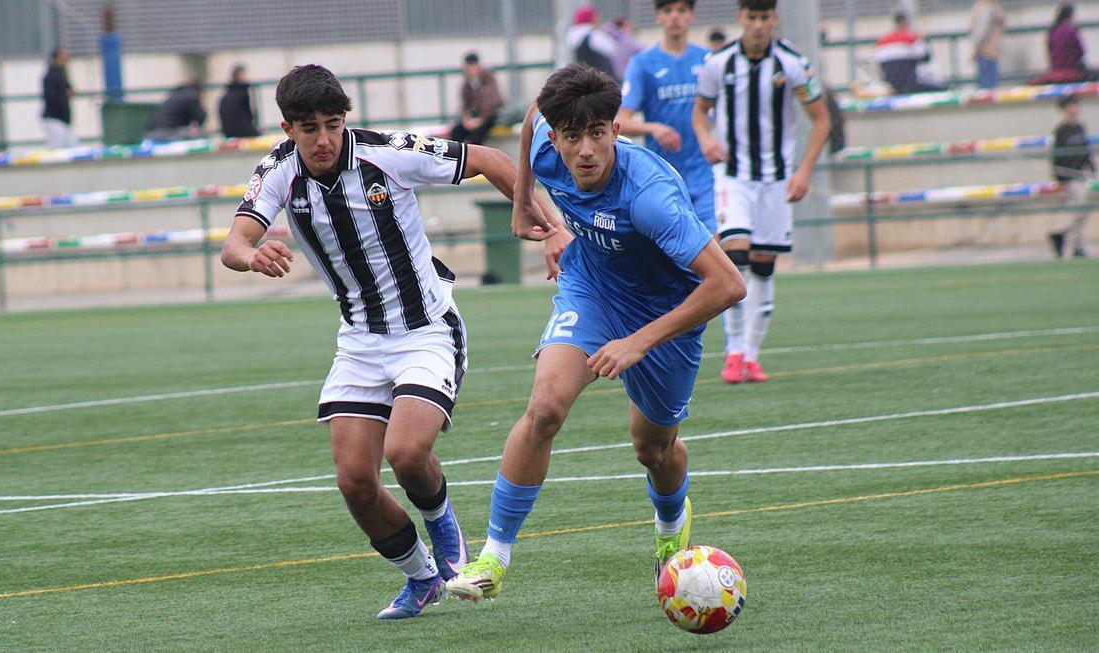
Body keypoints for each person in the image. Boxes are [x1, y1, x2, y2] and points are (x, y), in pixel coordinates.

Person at [222, 64, 554, 620]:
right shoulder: (277, 170)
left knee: (406, 451)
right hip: (358, 340)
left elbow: (492, 160)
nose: (324, 139)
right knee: (354, 481)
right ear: (288, 129)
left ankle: (447, 534)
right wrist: (251, 256)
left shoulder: (386, 152)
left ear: (346, 119)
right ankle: (421, 577)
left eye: (333, 124)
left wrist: (548, 224)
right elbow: (235, 240)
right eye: (309, 128)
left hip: (426, 329)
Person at [444, 63, 746, 603]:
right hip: (592, 289)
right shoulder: (545, 144)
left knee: (653, 449)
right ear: (557, 137)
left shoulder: (650, 197)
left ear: (616, 129)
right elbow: (532, 114)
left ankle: (670, 531)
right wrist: (524, 207)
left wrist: (639, 340)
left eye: (598, 133)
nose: (585, 149)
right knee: (545, 408)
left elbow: (728, 285)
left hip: (667, 312)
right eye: (572, 136)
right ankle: (493, 557)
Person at [692, 0, 831, 384]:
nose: (757, 25)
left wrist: (803, 171)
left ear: (774, 19)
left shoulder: (792, 63)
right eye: (750, 18)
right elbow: (700, 111)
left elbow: (821, 120)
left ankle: (752, 356)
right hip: (733, 177)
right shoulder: (719, 63)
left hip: (775, 180)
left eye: (763, 18)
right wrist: (705, 138)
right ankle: (734, 352)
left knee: (765, 268)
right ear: (740, 18)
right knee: (735, 258)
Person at [618, 0, 717, 235]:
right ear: (658, 16)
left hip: (706, 173)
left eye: (681, 11)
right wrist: (653, 128)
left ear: (691, 16)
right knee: (673, 251)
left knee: (716, 246)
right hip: (663, 175)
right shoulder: (642, 64)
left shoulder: (708, 60)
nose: (675, 17)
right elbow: (620, 122)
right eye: (668, 11)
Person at [1048, 95, 1094, 258]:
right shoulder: (1061, 130)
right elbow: (1057, 156)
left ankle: (1061, 235)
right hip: (1069, 176)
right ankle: (1077, 246)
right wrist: (1059, 177)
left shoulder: (1080, 127)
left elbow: (1085, 151)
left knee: (1081, 212)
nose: (1075, 109)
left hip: (1082, 175)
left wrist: (1092, 169)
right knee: (1079, 210)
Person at [873, 12, 946, 94]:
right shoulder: (912, 38)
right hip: (911, 85)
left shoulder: (881, 41)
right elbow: (926, 57)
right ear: (905, 22)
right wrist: (923, 40)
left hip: (891, 88)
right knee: (942, 88)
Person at [449, 52, 503, 145]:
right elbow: (464, 104)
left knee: (477, 134)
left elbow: (491, 102)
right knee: (456, 132)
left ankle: (473, 156)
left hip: (490, 116)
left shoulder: (488, 78)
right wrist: (466, 119)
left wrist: (481, 119)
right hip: (474, 117)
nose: (471, 70)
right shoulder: (466, 83)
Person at [1037, 3, 1097, 84]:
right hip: (1072, 72)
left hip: (1055, 72)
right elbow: (1080, 52)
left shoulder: (1053, 30)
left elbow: (1049, 52)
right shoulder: (1071, 30)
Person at [566, 4, 617, 78]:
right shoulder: (594, 36)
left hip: (586, 78)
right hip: (602, 78)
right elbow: (612, 49)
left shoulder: (573, 35)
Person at [41, 47, 78, 149]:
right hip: (54, 118)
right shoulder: (51, 75)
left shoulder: (62, 73)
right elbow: (51, 97)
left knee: (72, 145)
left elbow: (68, 88)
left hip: (63, 119)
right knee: (55, 147)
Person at [218, 64, 261, 139]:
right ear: (239, 76)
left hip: (229, 134)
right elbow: (245, 119)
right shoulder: (242, 94)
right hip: (242, 133)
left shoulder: (227, 94)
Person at [969, 0, 1005, 89]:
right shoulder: (986, 8)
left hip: (988, 52)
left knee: (987, 87)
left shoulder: (990, 7)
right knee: (987, 89)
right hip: (986, 53)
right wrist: (976, 50)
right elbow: (981, 33)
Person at [604, 16, 643, 82]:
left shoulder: (609, 38)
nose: (630, 28)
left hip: (615, 76)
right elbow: (644, 50)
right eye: (628, 25)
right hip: (627, 76)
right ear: (622, 27)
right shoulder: (625, 40)